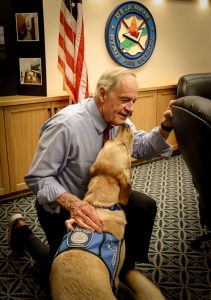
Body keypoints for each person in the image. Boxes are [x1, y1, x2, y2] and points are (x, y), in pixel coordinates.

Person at [8, 67, 174, 287]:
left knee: (144, 205)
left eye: (134, 101)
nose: (131, 109)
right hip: (63, 207)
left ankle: (124, 269)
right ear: (103, 94)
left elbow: (142, 147)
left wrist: (166, 126)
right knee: (66, 274)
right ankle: (22, 233)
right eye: (125, 100)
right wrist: (75, 204)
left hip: (101, 199)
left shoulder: (118, 117)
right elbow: (39, 178)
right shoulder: (66, 125)